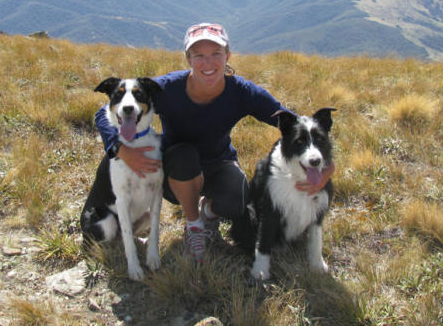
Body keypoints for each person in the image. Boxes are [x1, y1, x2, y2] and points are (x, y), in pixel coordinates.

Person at [94, 23, 334, 263]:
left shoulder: (241, 92)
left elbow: (294, 123)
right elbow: (103, 114)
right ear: (188, 59)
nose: (207, 63)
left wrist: (327, 167)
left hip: (219, 162)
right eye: (199, 55)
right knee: (183, 156)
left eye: (216, 54)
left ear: (228, 55)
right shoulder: (166, 89)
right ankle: (194, 225)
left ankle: (208, 212)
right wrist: (120, 150)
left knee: (238, 200)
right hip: (175, 172)